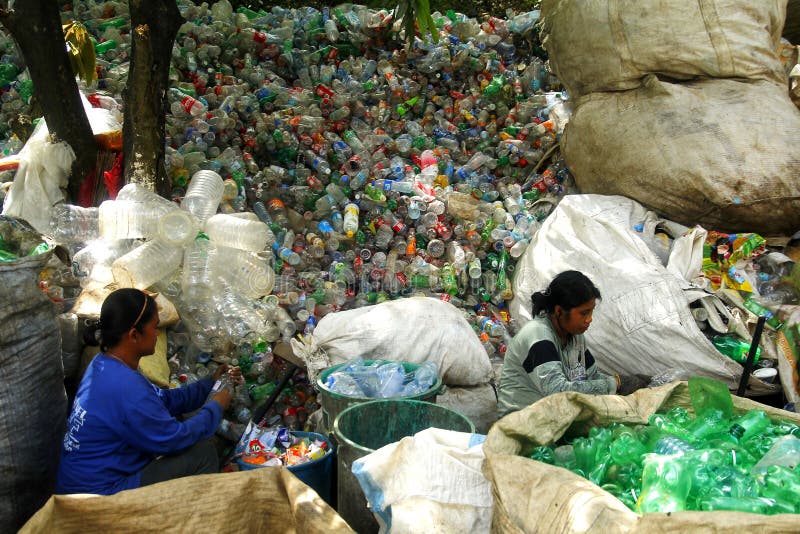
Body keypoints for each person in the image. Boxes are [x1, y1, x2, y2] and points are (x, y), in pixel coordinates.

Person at [56, 288, 242, 495]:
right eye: (154, 327)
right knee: (203, 453)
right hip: (99, 496)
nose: (156, 334)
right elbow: (175, 440)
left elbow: (162, 399)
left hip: (82, 483)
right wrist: (216, 406)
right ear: (134, 335)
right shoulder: (125, 386)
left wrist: (209, 383)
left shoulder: (104, 364)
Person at [497, 271, 649, 418]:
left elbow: (592, 376)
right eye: (584, 313)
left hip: (553, 417)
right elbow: (558, 392)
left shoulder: (575, 338)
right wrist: (615, 383)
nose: (589, 319)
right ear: (559, 311)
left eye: (591, 312)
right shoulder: (538, 336)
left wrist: (621, 383)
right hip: (521, 421)